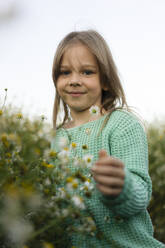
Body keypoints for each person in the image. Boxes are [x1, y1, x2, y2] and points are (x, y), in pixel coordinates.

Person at [51, 30, 165, 247]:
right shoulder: (58, 138)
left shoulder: (122, 125)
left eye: (87, 72)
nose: (74, 81)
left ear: (105, 80)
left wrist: (123, 187)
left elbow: (140, 195)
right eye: (65, 72)